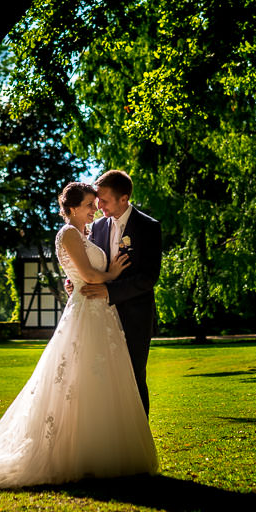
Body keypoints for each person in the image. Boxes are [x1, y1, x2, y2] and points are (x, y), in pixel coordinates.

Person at [0, 182, 157, 488]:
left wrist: (82, 280)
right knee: (77, 379)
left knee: (109, 381)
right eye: (90, 204)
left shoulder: (95, 231)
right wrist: (106, 276)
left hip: (107, 314)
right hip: (86, 313)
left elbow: (100, 270)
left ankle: (111, 448)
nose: (96, 208)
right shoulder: (70, 232)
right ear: (73, 208)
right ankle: (77, 451)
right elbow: (88, 274)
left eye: (97, 203)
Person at [79, 170, 162, 416]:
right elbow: (92, 265)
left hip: (135, 318)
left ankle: (140, 437)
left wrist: (109, 290)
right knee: (104, 378)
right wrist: (75, 281)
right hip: (102, 316)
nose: (99, 206)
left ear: (124, 198)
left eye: (104, 200)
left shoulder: (148, 227)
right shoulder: (97, 227)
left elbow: (148, 278)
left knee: (134, 377)